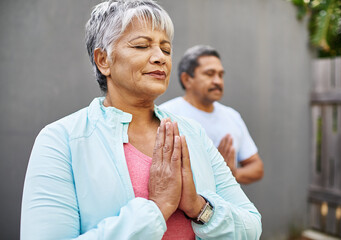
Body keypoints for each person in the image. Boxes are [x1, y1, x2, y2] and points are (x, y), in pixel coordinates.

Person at [21, 1, 261, 239]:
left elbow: (252, 226)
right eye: (141, 46)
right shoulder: (61, 140)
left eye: (166, 49)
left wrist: (198, 208)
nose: (160, 58)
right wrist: (157, 209)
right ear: (103, 60)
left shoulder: (192, 133)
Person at [160, 45, 264, 184]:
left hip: (227, 204)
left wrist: (231, 174)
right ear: (186, 79)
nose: (218, 81)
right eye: (209, 74)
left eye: (220, 75)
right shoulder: (166, 115)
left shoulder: (232, 116)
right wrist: (211, 171)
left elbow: (256, 167)